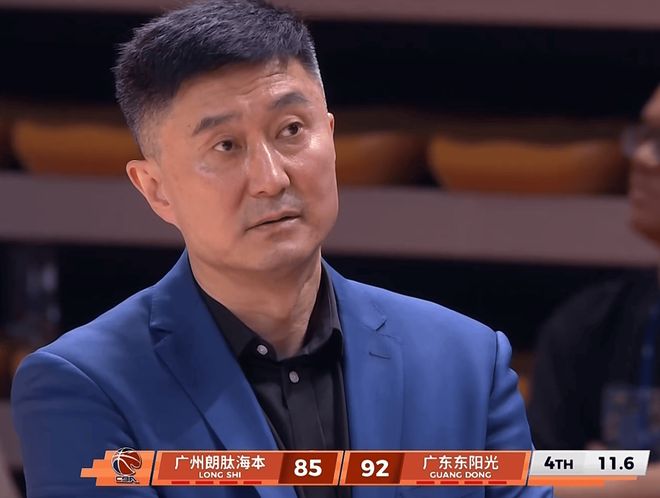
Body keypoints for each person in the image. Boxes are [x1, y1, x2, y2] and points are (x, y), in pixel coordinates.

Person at [10, 1, 551, 498]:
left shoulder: (469, 361)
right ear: (156, 189)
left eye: (291, 129)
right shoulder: (84, 386)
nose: (271, 178)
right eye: (226, 146)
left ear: (330, 136)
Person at [528, 86, 660, 497]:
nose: (642, 158)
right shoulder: (586, 325)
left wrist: (612, 482)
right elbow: (539, 479)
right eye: (646, 136)